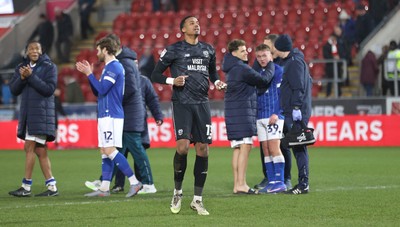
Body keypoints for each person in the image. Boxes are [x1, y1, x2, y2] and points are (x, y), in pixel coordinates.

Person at [151, 15, 227, 215]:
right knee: (183, 147)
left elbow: (213, 74)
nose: (197, 24)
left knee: (203, 149)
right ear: (183, 28)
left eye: (197, 22)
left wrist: (217, 82)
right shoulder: (173, 49)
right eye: (192, 22)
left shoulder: (208, 49)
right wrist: (171, 81)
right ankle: (177, 191)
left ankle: (197, 200)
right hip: (182, 103)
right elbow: (155, 74)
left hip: (202, 103)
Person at [84, 34, 156, 195]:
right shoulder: (108, 68)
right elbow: (99, 92)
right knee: (104, 150)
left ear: (105, 49)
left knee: (110, 150)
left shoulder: (115, 67)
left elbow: (102, 89)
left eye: (98, 50)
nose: (97, 53)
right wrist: (90, 77)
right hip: (105, 114)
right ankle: (104, 188)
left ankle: (134, 182)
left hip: (111, 114)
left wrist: (89, 74)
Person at [222, 39, 274, 195]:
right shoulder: (241, 68)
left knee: (237, 148)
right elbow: (263, 80)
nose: (246, 53)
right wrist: (270, 64)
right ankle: (241, 184)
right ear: (234, 53)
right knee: (246, 146)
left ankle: (237, 184)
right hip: (242, 112)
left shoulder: (232, 68)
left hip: (233, 111)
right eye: (243, 50)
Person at [8, 41, 59, 197]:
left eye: (37, 48)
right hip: (29, 115)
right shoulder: (21, 68)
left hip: (41, 114)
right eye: (31, 49)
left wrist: (31, 76)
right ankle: (52, 187)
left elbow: (49, 89)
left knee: (29, 147)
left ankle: (26, 186)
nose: (34, 51)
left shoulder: (50, 66)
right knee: (39, 150)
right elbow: (14, 90)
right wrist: (23, 78)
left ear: (41, 50)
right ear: (27, 51)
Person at [112, 74, 164, 194]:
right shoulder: (120, 80)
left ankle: (142, 183)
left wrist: (158, 115)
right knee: (121, 153)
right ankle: (119, 184)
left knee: (135, 155)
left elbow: (152, 99)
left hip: (137, 123)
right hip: (121, 122)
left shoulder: (144, 80)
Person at [273, 34, 312, 195]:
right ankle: (297, 181)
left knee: (299, 147)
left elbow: (299, 87)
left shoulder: (294, 63)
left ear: (280, 48)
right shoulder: (289, 61)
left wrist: (296, 106)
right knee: (292, 146)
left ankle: (304, 184)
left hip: (295, 112)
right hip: (288, 111)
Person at [253, 34, 292, 191]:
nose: (262, 59)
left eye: (265, 55)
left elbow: (282, 94)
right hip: (261, 116)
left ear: (271, 54)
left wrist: (277, 113)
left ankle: (280, 182)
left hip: (273, 115)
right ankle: (271, 182)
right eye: (259, 56)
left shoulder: (278, 71)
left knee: (275, 148)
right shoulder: (257, 73)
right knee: (266, 149)